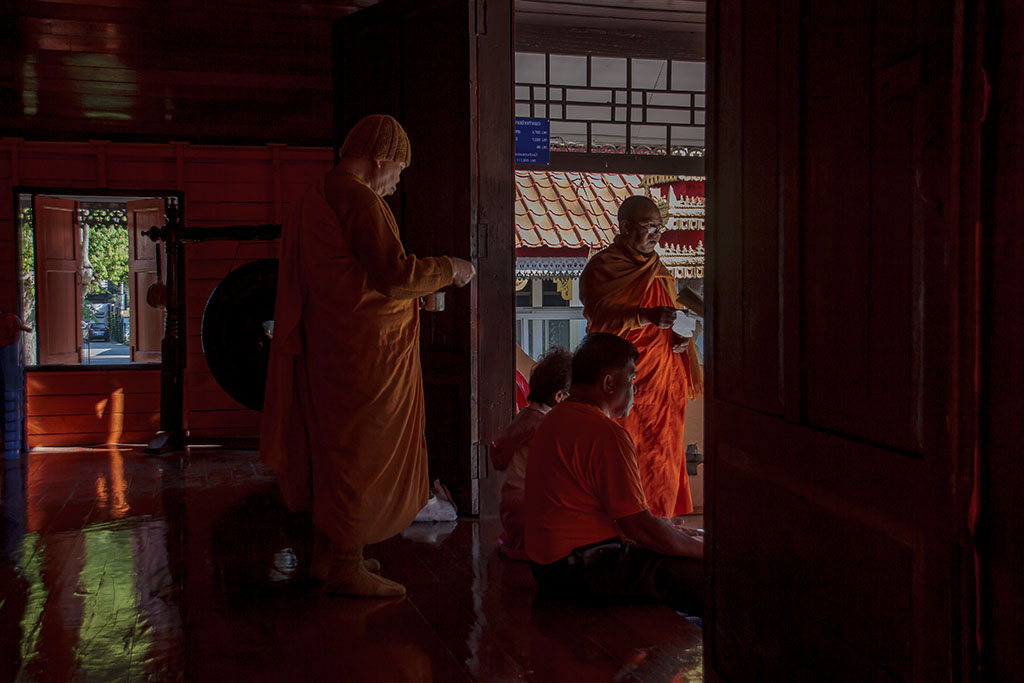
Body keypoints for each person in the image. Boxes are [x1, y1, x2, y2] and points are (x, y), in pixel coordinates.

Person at [260, 114, 477, 598]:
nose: (397, 184)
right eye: (398, 170)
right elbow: (393, 275)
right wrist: (449, 269)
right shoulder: (359, 198)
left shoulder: (314, 195)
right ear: (380, 158)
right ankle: (344, 564)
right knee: (362, 453)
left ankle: (327, 556)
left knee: (333, 448)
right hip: (365, 356)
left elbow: (350, 278)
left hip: (330, 344)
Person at [524, 333, 704, 614]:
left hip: (548, 568)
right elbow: (639, 527)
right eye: (632, 379)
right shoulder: (606, 433)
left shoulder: (556, 418)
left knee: (684, 541)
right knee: (704, 573)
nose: (636, 389)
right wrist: (702, 551)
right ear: (608, 383)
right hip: (583, 570)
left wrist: (675, 533)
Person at [579, 195, 704, 517]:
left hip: (664, 381)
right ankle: (629, 523)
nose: (655, 235)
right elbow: (597, 315)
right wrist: (643, 316)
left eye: (659, 229)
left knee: (664, 454)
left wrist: (682, 334)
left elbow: (672, 312)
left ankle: (662, 520)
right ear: (624, 227)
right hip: (625, 380)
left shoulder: (658, 268)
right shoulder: (604, 267)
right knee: (628, 454)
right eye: (649, 227)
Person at [490, 347, 572, 560]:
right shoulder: (546, 427)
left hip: (511, 515)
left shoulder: (525, 418)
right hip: (531, 517)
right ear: (560, 396)